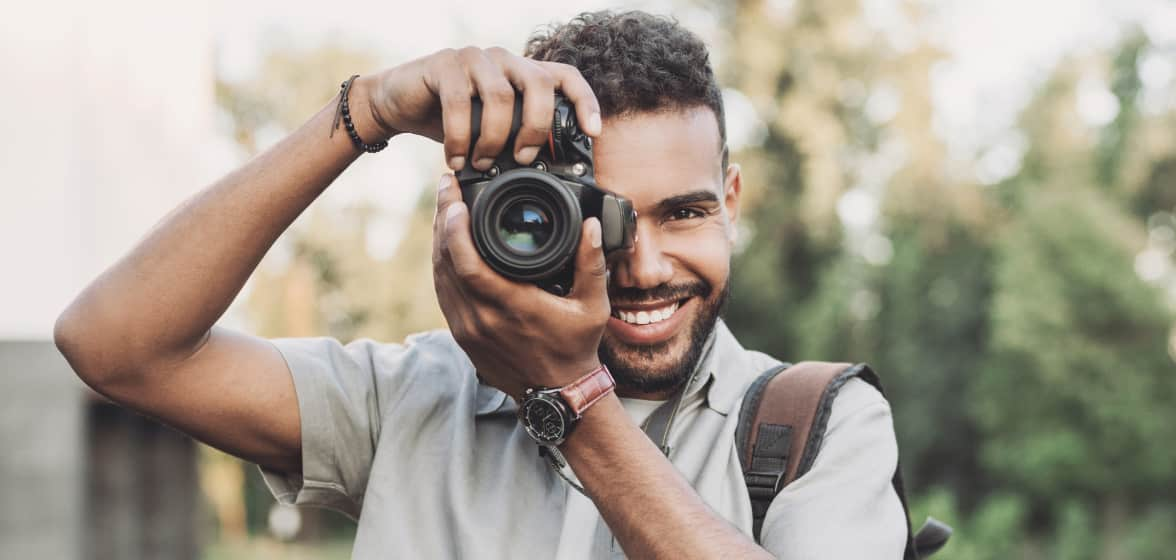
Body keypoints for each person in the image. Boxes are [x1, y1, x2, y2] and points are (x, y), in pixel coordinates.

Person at [55, 10, 907, 559]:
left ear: (729, 201)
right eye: (600, 219)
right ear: (509, 215)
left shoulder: (820, 427)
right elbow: (117, 346)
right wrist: (364, 113)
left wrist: (568, 395)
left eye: (683, 213)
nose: (645, 268)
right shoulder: (406, 402)